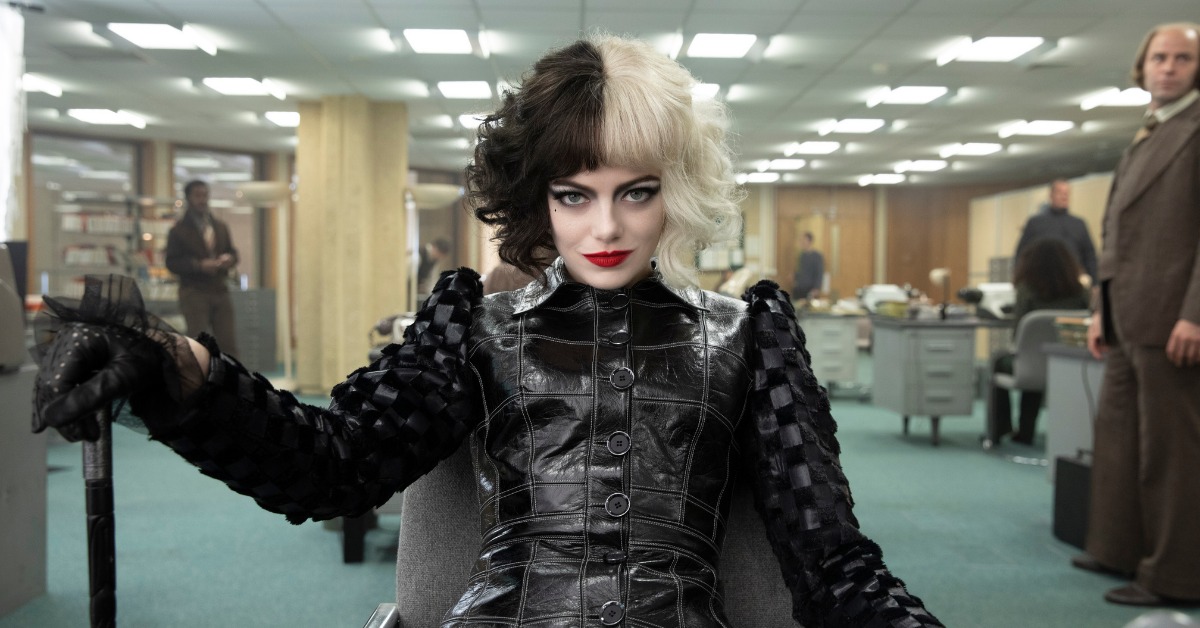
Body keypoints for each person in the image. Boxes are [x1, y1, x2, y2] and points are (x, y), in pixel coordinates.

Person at [31, 34, 941, 627]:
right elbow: (334, 464)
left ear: (679, 190)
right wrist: (177, 365)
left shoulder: (750, 333)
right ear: (540, 197)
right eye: (574, 194)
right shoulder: (477, 325)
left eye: (636, 191)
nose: (606, 226)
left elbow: (832, 563)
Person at [1076, 22, 1200, 607]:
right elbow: (1114, 231)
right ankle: (1116, 546)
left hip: (1172, 316)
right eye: (1159, 57)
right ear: (1143, 66)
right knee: (1119, 441)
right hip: (1125, 313)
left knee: (1170, 455)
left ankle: (1174, 576)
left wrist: (1195, 314)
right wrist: (1100, 308)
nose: (1168, 67)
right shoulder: (1149, 129)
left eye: (1183, 58)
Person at [988, 239, 1089, 445]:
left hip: (1032, 366)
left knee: (1001, 360)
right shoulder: (1080, 292)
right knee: (1035, 363)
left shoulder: (1026, 291)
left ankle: (1002, 428)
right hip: (1070, 365)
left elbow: (1018, 336)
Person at [164, 180, 239, 357]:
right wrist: (199, 265)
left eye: (205, 195)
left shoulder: (220, 227)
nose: (202, 200)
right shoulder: (178, 231)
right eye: (197, 196)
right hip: (194, 292)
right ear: (188, 198)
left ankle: (230, 374)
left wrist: (229, 259)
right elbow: (172, 263)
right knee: (198, 344)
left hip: (220, 290)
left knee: (228, 343)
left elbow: (233, 253)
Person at [1013, 179, 1098, 285]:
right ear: (1051, 195)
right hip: (1041, 283)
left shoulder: (1079, 224)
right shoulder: (1036, 223)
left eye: (1067, 193)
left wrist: (1095, 282)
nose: (1064, 196)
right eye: (1060, 192)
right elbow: (1022, 254)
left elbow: (1089, 255)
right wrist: (1018, 280)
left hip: (1073, 283)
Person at [792, 231, 825, 300]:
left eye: (804, 240)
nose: (802, 242)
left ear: (810, 241)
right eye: (801, 240)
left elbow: (819, 273)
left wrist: (816, 288)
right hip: (799, 288)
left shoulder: (817, 256)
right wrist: (794, 276)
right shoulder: (802, 255)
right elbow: (802, 271)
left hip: (810, 289)